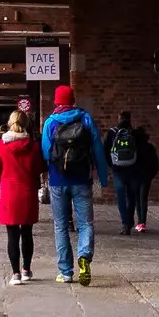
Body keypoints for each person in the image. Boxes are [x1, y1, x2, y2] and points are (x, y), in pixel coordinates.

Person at [38, 84, 109, 284]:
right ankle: (84, 256)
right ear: (73, 99)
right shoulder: (85, 119)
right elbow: (98, 150)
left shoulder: (51, 122)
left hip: (58, 180)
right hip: (82, 180)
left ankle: (66, 272)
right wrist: (102, 178)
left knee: (60, 225)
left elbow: (45, 152)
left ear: (56, 101)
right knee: (86, 223)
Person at [0, 110, 46, 284]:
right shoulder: (33, 146)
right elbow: (39, 168)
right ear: (27, 124)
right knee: (27, 233)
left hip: (9, 194)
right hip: (27, 193)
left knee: (12, 235)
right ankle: (27, 269)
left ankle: (15, 274)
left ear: (9, 124)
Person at [104, 109, 142, 235]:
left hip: (118, 169)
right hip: (133, 169)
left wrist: (112, 164)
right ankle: (129, 222)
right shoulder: (135, 133)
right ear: (130, 119)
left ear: (119, 119)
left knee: (121, 196)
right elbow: (141, 152)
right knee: (131, 196)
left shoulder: (112, 133)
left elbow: (106, 150)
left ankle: (125, 223)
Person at [130, 125, 158, 231]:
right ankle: (142, 222)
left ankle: (139, 222)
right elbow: (155, 164)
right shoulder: (150, 147)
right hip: (146, 176)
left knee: (137, 199)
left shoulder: (133, 147)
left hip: (135, 176)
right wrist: (151, 175)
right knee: (143, 199)